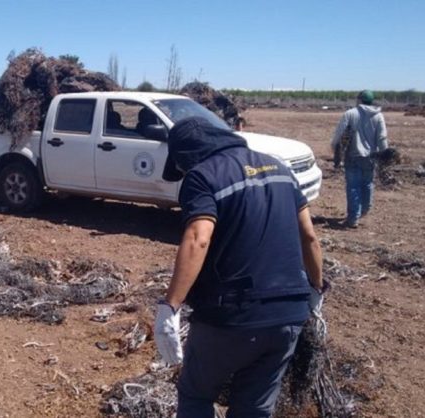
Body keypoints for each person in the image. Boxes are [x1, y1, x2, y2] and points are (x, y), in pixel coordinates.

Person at [153, 116, 325, 418]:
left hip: (231, 315)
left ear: (187, 154)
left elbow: (198, 238)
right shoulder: (280, 169)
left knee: (196, 394)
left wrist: (171, 306)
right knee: (254, 407)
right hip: (289, 314)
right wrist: (316, 288)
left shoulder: (202, 176)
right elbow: (309, 236)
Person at [331, 90, 389, 228]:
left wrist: (335, 151)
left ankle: (353, 218)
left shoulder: (350, 114)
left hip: (352, 156)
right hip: (370, 158)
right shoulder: (378, 116)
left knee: (353, 187)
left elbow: (339, 135)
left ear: (359, 100)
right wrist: (384, 154)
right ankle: (364, 209)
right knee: (367, 184)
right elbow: (382, 138)